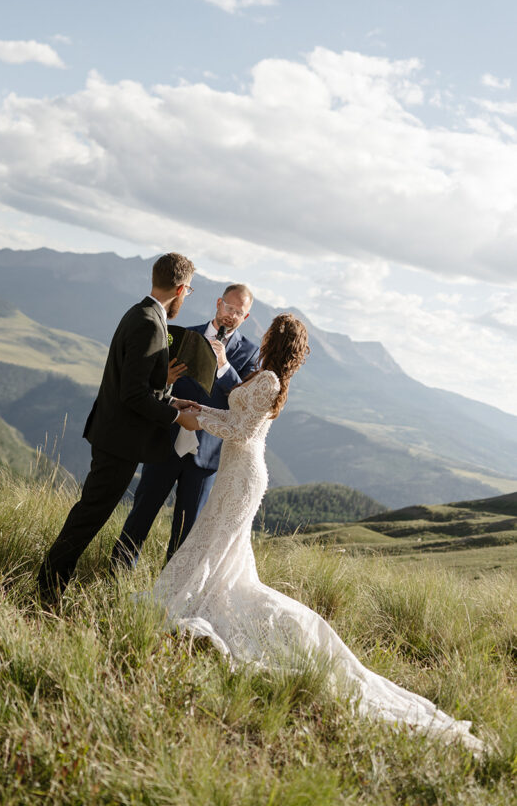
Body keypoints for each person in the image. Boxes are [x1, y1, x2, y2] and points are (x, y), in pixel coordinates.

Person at [149, 314, 484, 754]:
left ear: (276, 339)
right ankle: (199, 596)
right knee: (215, 547)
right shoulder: (262, 374)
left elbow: (243, 431)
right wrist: (194, 409)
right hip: (233, 470)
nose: (265, 333)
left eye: (271, 330)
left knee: (215, 546)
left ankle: (210, 605)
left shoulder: (269, 380)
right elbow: (233, 414)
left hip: (242, 476)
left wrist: (198, 422)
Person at [37, 252, 199, 601]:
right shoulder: (150, 323)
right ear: (182, 289)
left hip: (115, 437)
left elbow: (141, 384)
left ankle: (50, 584)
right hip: (119, 442)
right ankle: (48, 589)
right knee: (89, 517)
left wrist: (169, 394)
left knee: (89, 513)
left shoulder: (140, 312)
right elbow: (133, 395)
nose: (186, 298)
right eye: (189, 292)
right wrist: (176, 418)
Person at [111, 284, 259, 568]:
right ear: (218, 304)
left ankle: (169, 595)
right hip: (165, 440)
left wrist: (225, 366)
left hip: (205, 456)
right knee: (140, 516)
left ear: (246, 317)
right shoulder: (180, 334)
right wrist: (164, 380)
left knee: (186, 533)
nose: (231, 316)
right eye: (229, 308)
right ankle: (115, 578)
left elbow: (243, 404)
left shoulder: (250, 354)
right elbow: (151, 383)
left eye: (239, 313)